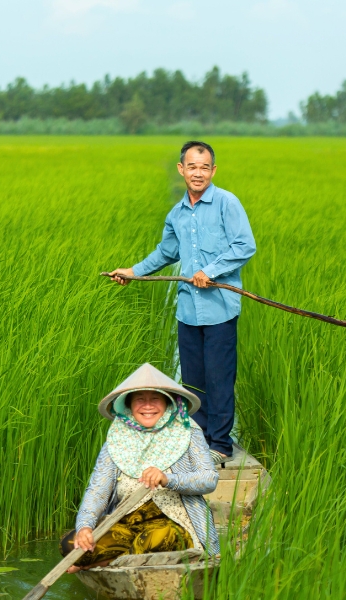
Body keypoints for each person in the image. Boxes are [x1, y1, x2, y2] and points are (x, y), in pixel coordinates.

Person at [109, 141, 256, 463]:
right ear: (182, 170)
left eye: (204, 167)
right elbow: (166, 252)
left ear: (213, 170)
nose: (198, 173)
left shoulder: (226, 203)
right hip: (188, 310)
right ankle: (199, 441)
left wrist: (211, 271)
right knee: (193, 381)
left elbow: (245, 245)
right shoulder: (177, 213)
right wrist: (133, 272)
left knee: (219, 378)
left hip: (219, 308)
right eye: (192, 166)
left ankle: (220, 446)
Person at [60, 363, 220, 572]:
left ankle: (99, 564)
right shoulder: (117, 438)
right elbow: (97, 491)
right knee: (70, 544)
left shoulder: (187, 431)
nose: (148, 406)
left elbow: (209, 479)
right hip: (126, 521)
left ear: (166, 401)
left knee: (153, 540)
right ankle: (105, 560)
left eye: (155, 399)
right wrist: (85, 527)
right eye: (140, 400)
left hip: (174, 522)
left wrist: (168, 479)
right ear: (129, 405)